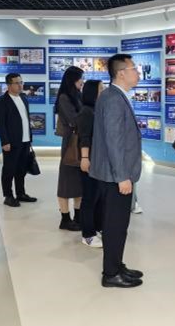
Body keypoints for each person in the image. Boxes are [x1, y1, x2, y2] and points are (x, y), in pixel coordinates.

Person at [90, 54, 144, 288]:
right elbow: (114, 141)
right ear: (121, 73)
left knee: (119, 224)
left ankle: (117, 264)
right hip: (115, 176)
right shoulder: (113, 98)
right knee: (115, 225)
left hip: (115, 173)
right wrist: (122, 176)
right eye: (134, 68)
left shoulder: (115, 95)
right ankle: (110, 273)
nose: (138, 73)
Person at [0, 73, 37, 207]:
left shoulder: (23, 98)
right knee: (9, 169)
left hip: (25, 140)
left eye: (21, 82)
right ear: (9, 85)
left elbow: (25, 119)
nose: (20, 85)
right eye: (17, 83)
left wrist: (29, 137)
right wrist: (4, 142)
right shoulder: (2, 101)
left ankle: (21, 193)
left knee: (21, 169)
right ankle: (8, 196)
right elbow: (1, 124)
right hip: (11, 142)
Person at [55, 66, 84, 231]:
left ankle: (78, 217)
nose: (82, 81)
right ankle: (65, 219)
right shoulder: (64, 98)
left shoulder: (77, 95)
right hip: (71, 144)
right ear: (73, 79)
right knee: (66, 183)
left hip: (81, 143)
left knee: (79, 183)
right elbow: (74, 120)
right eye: (80, 78)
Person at [76, 80, 104, 248]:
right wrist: (85, 158)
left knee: (98, 196)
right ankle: (87, 234)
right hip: (90, 159)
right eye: (101, 88)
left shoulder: (97, 109)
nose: (104, 91)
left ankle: (96, 228)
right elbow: (84, 137)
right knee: (89, 198)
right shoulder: (86, 112)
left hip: (99, 160)